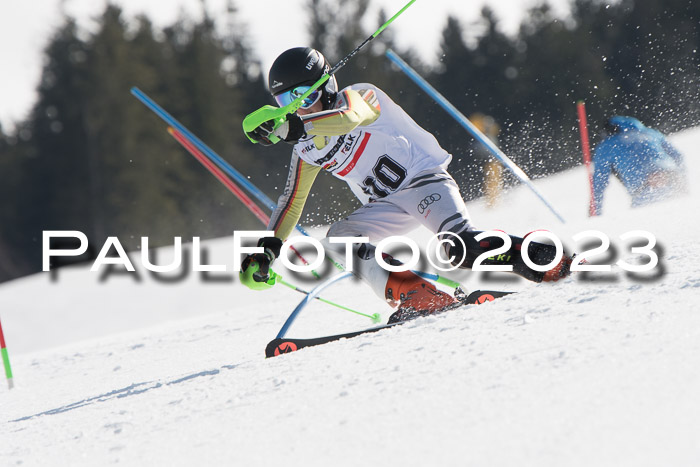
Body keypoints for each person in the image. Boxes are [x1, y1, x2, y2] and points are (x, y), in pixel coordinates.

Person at [241, 47, 572, 323]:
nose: (295, 105)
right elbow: (292, 200)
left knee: (461, 250)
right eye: (285, 98)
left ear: (325, 86)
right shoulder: (306, 146)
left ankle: (539, 258)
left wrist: (297, 127)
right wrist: (267, 250)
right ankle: (416, 294)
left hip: (425, 181)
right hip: (387, 205)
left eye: (300, 94)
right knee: (339, 240)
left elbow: (349, 119)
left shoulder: (361, 96)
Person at [592, 116, 687, 215]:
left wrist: (596, 211)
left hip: (644, 186)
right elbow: (678, 156)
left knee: (645, 221)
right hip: (672, 176)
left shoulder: (607, 145)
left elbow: (599, 181)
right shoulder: (651, 133)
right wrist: (683, 181)